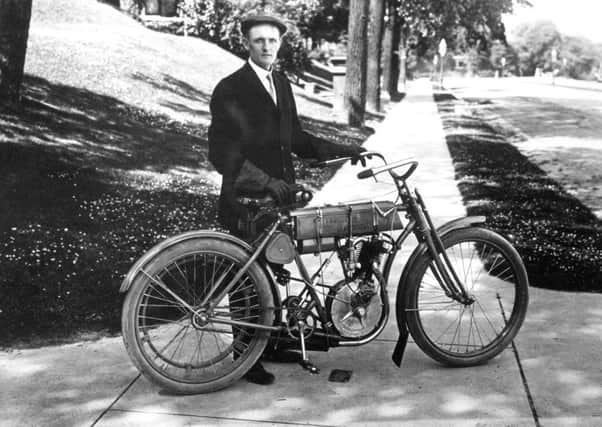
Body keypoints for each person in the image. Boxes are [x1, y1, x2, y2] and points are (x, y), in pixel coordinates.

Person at [208, 13, 365, 385]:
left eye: (272, 41)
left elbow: (296, 139)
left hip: (278, 201)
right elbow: (221, 151)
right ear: (246, 43)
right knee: (247, 275)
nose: (266, 47)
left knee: (275, 270)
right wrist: (265, 181)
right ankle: (246, 356)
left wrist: (343, 150)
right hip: (246, 200)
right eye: (259, 40)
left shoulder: (280, 82)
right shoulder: (231, 88)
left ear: (280, 44)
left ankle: (274, 342)